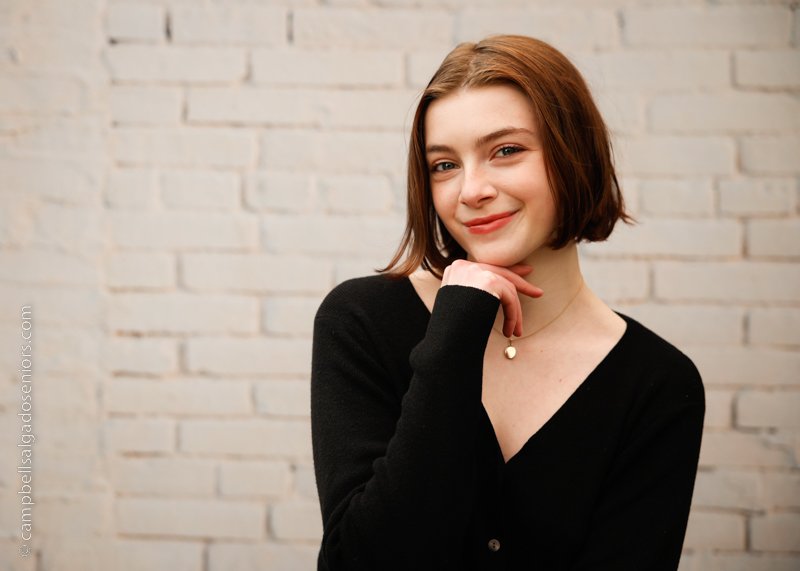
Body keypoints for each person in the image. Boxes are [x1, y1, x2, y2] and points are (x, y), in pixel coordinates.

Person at [310, 35, 705, 571]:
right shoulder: (360, 322)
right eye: (444, 165)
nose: (470, 190)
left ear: (574, 155)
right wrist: (454, 335)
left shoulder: (657, 383)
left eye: (506, 151)